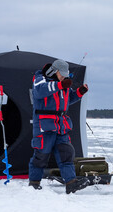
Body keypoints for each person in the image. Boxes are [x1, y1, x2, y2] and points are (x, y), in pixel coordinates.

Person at [29, 59, 90, 194]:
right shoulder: (40, 79)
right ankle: (34, 183)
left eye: (65, 74)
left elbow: (68, 99)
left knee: (66, 154)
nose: (63, 77)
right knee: (41, 155)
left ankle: (71, 183)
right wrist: (60, 85)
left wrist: (79, 92)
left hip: (61, 125)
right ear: (54, 71)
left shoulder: (63, 83)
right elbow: (39, 91)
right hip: (44, 125)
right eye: (61, 74)